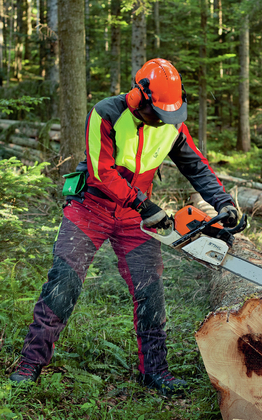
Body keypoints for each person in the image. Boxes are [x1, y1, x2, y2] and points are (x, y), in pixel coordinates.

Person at [9, 58, 238, 396]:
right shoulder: (106, 113)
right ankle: (30, 364)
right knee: (64, 281)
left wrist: (224, 202)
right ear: (139, 97)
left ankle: (155, 370)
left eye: (169, 115)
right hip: (90, 208)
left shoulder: (171, 125)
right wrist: (145, 205)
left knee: (150, 290)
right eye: (158, 113)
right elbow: (102, 172)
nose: (163, 120)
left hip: (135, 217)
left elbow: (197, 166)